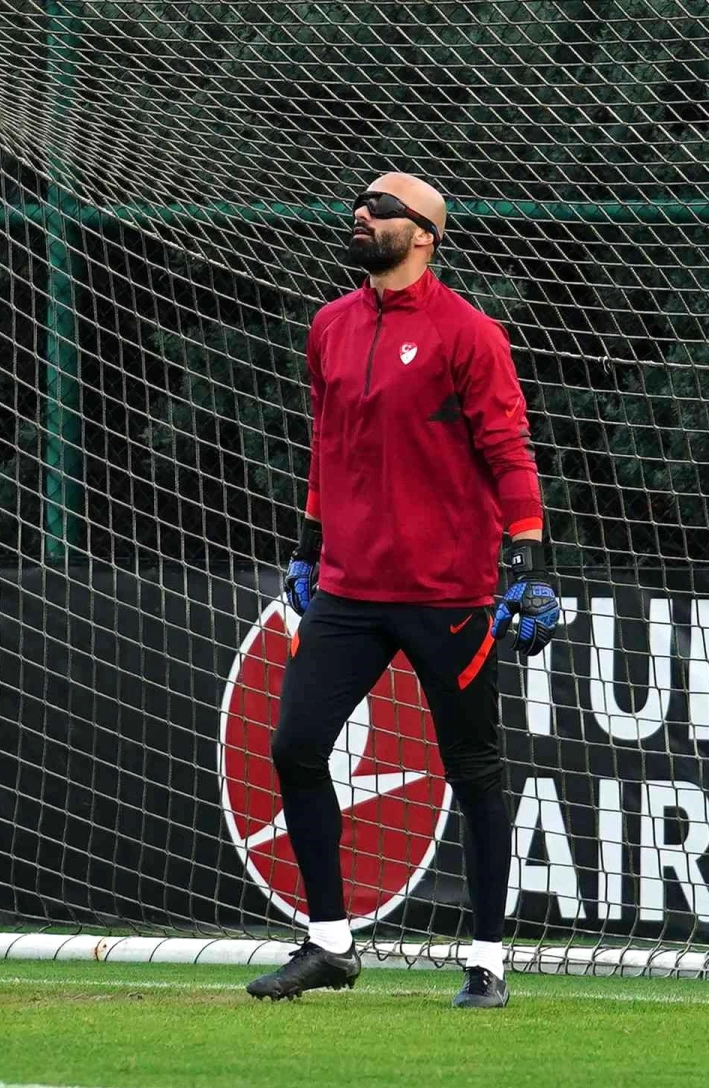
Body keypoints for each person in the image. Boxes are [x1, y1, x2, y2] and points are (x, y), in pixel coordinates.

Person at [246, 173, 560, 1009]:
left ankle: (487, 960)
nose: (362, 212)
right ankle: (330, 944)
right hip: (349, 588)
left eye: (381, 207)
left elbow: (508, 449)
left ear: (423, 234)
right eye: (360, 201)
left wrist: (526, 563)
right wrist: (308, 548)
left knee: (475, 769)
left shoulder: (469, 333)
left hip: (448, 593)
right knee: (294, 746)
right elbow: (325, 445)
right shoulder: (329, 326)